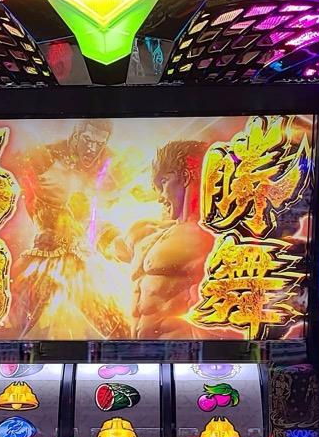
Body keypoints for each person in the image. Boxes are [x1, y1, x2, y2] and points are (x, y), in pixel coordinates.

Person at [8, 118, 132, 339]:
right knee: (7, 326)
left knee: (120, 332)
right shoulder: (44, 157)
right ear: (76, 135)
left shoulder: (105, 169)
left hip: (78, 261)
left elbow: (93, 220)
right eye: (87, 140)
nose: (92, 148)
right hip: (43, 257)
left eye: (99, 143)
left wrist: (115, 243)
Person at [97, 139, 226, 340]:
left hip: (185, 351)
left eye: (164, 182)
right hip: (138, 351)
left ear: (185, 177)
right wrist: (93, 226)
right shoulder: (149, 232)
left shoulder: (215, 238)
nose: (160, 197)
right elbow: (117, 247)